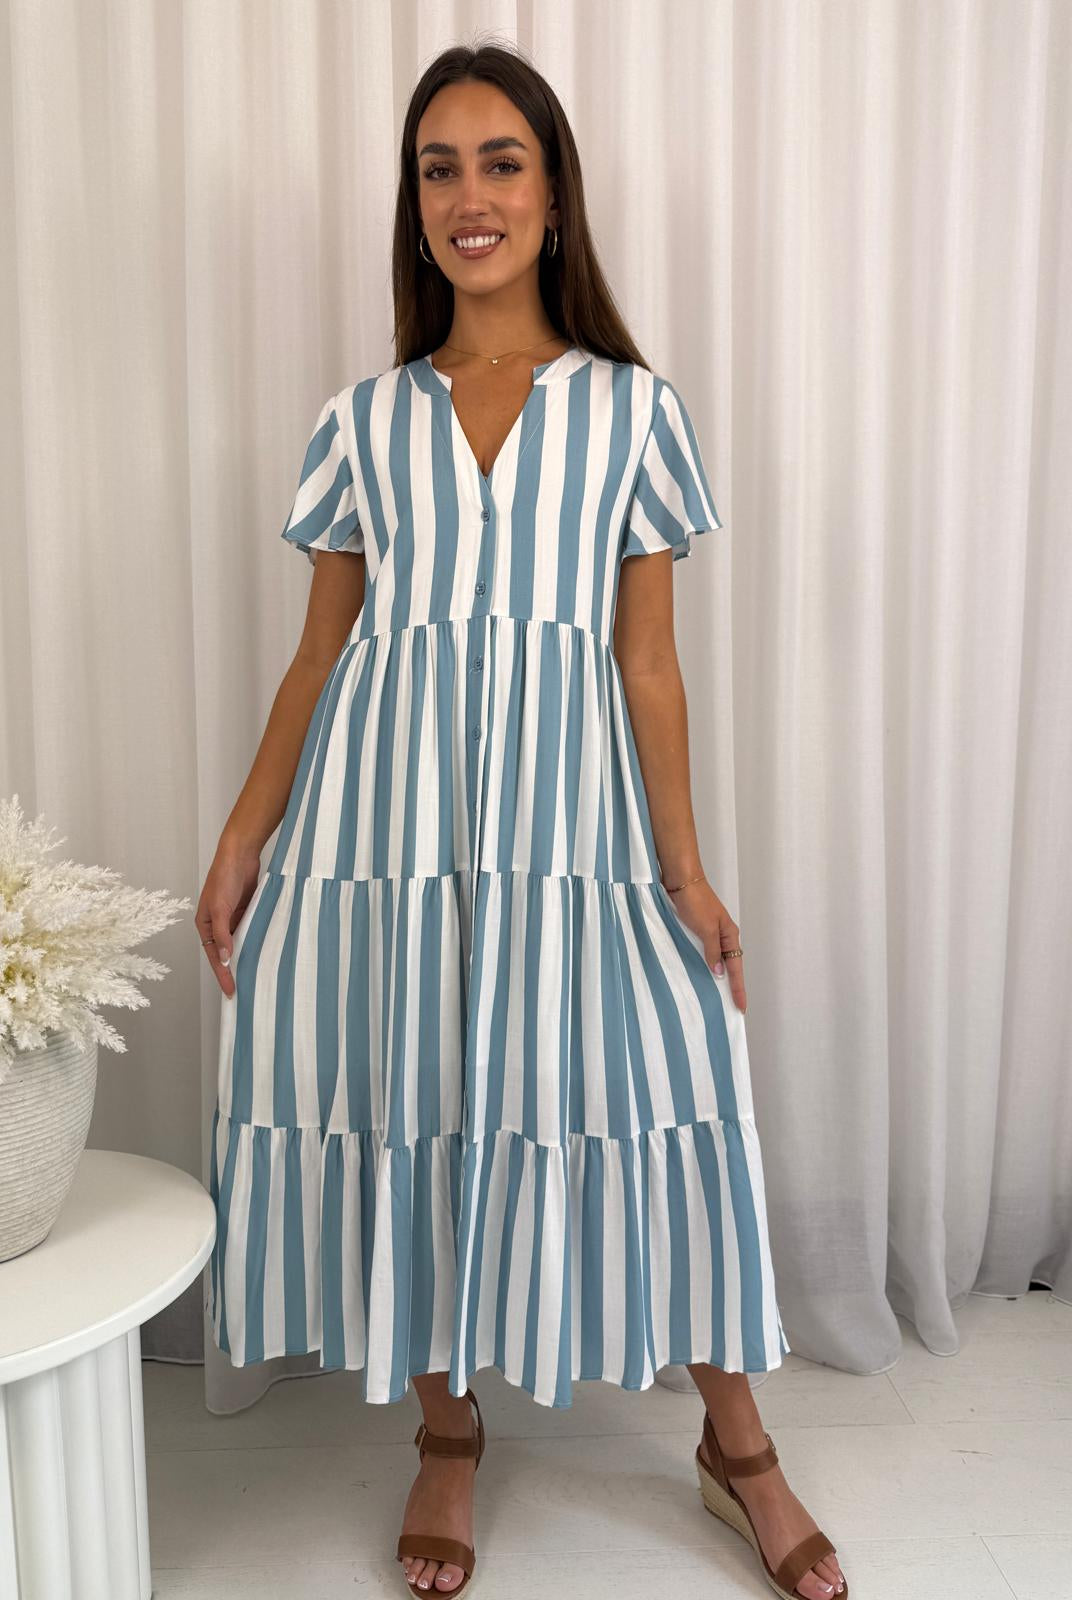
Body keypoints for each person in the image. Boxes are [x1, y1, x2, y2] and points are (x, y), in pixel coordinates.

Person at [196, 40, 848, 1600]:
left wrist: (683, 873)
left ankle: (736, 1447)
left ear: (553, 197)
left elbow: (646, 665)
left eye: (502, 162)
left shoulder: (633, 413)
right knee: (409, 1093)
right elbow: (321, 653)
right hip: (382, 839)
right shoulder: (364, 421)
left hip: (577, 838)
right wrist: (246, 834)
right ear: (413, 207)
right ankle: (447, 1434)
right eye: (440, 167)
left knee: (650, 1093)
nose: (469, 195)